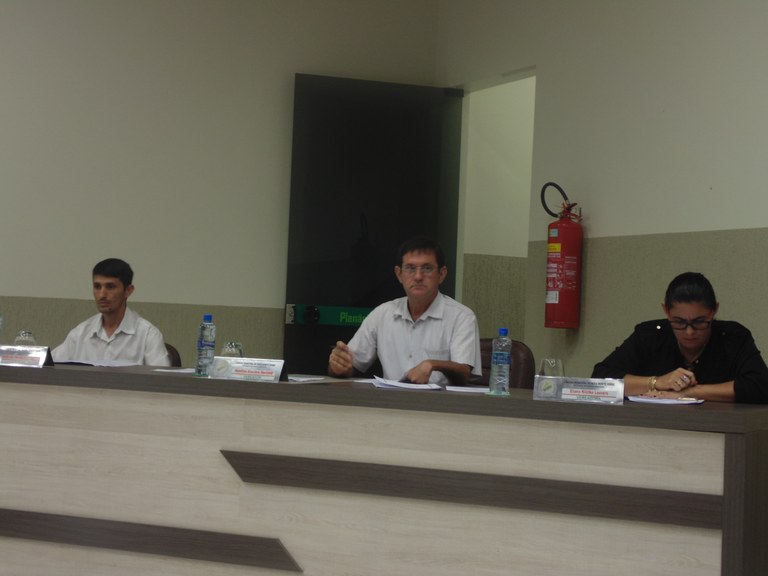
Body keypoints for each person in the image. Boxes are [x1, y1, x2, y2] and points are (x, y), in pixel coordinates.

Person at [592, 272, 768, 403]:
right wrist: (656, 382)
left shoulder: (733, 337)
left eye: (699, 322)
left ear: (714, 310)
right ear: (666, 311)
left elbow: (760, 386)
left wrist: (689, 392)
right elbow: (601, 380)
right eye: (679, 322)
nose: (689, 332)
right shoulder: (650, 335)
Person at [328, 237, 482, 386]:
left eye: (427, 268)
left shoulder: (461, 316)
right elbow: (349, 367)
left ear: (441, 274)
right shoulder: (382, 314)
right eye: (410, 268)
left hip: (441, 402)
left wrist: (432, 364)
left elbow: (464, 373)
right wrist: (339, 366)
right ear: (399, 274)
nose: (418, 276)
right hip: (391, 401)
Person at [52, 258, 171, 366]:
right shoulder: (80, 333)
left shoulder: (148, 335)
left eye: (110, 287)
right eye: (97, 287)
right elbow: (48, 366)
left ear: (128, 291)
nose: (102, 295)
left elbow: (162, 378)